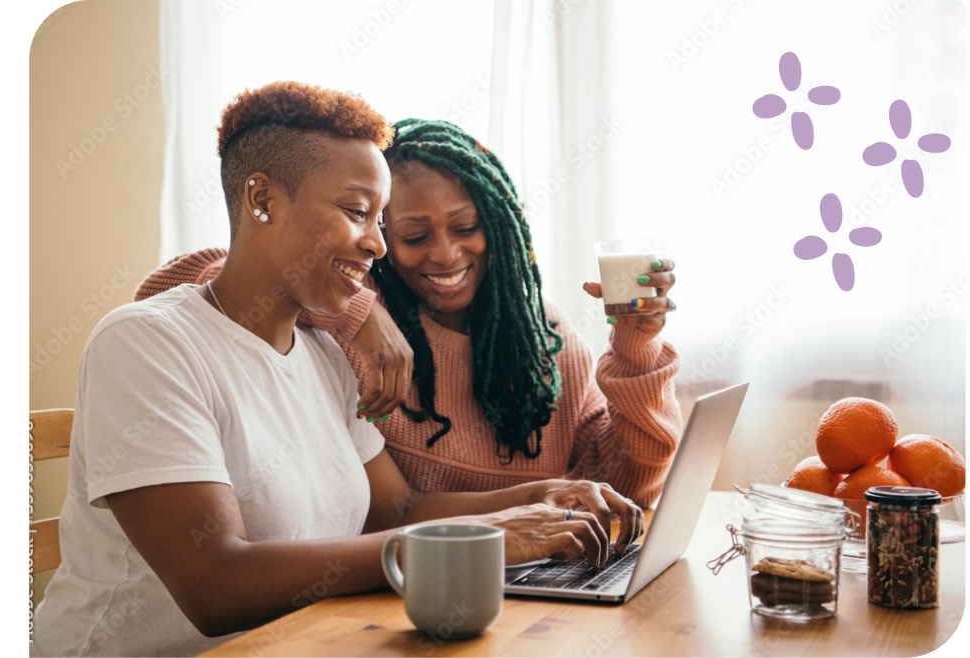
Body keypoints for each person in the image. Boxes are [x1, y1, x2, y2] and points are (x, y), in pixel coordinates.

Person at [33, 82, 643, 658]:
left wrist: (535, 500)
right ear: (262, 199)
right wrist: (487, 539)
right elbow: (216, 586)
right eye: (357, 212)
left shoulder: (324, 355)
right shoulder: (145, 344)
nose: (378, 244)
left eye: (380, 219)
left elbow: (396, 510)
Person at [137, 118, 682, 509]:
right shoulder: (343, 317)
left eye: (465, 228)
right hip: (391, 587)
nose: (445, 255)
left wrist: (636, 348)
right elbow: (181, 286)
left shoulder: (545, 342)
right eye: (415, 236)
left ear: (500, 228)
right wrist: (359, 310)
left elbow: (626, 490)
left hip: (526, 587)